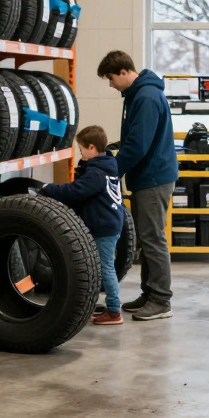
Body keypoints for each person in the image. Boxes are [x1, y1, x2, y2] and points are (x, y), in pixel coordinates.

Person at [97, 51, 178, 322]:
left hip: (153, 177)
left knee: (153, 238)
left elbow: (138, 145)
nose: (111, 84)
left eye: (110, 78)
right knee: (147, 236)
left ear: (122, 71)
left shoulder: (145, 97)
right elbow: (134, 139)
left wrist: (112, 170)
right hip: (149, 176)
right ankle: (150, 292)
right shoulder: (137, 95)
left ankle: (161, 299)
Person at [40, 125, 125, 326]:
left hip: (104, 227)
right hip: (109, 224)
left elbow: (76, 191)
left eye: (82, 149)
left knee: (106, 267)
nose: (81, 153)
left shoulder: (96, 173)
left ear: (92, 148)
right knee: (99, 266)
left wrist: (49, 189)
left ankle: (114, 311)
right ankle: (99, 305)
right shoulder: (107, 166)